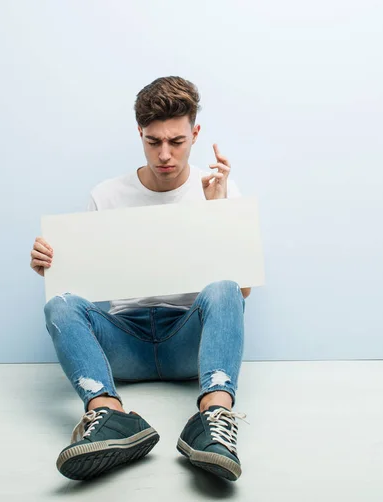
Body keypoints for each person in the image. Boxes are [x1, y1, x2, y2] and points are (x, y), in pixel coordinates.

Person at [30, 76, 250, 482]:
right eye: (153, 141)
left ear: (195, 133)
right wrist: (51, 263)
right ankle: (110, 416)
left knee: (223, 288)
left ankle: (215, 421)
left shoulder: (219, 188)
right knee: (59, 305)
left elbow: (241, 292)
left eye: (177, 141)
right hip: (124, 343)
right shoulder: (106, 194)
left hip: (189, 341)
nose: (164, 154)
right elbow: (78, 285)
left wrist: (217, 215)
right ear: (140, 134)